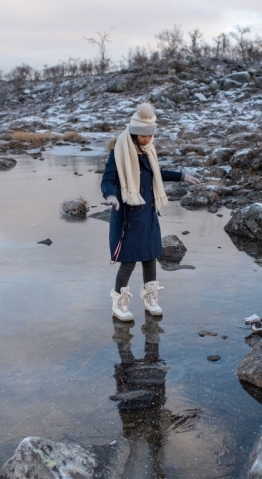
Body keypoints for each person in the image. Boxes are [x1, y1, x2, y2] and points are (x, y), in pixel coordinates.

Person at [101, 102, 200, 321]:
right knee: (128, 262)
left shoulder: (148, 152)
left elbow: (157, 173)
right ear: (134, 133)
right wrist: (110, 195)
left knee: (150, 258)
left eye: (149, 135)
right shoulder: (120, 153)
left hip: (148, 214)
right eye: (142, 135)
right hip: (128, 215)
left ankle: (150, 298)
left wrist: (182, 176)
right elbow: (108, 178)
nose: (147, 139)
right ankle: (119, 302)